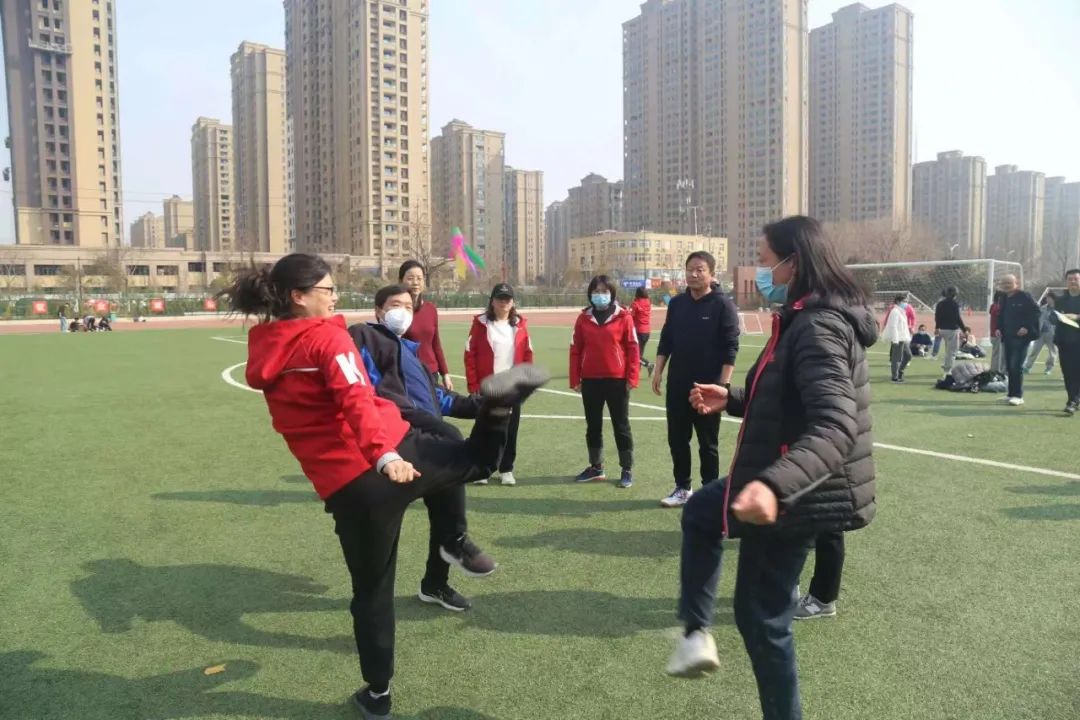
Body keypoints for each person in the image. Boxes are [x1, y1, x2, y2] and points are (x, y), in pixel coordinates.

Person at [219, 253, 549, 719]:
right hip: (392, 456)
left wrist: (384, 454)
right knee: (476, 460)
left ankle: (377, 693)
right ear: (299, 296)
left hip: (350, 489)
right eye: (327, 290)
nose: (335, 298)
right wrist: (385, 454)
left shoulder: (268, 350)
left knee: (371, 592)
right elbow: (353, 396)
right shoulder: (325, 338)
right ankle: (494, 412)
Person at [667, 216, 876, 720]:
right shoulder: (802, 316)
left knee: (762, 618)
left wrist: (774, 488)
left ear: (793, 263)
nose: (762, 272)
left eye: (765, 261)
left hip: (794, 491)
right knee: (701, 513)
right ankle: (695, 633)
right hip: (777, 472)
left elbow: (835, 426)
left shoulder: (819, 326)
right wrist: (735, 397)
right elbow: (788, 395)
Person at [348, 285, 493, 613]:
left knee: (445, 511)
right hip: (396, 440)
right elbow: (363, 391)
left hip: (426, 436)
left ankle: (436, 582)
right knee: (382, 529)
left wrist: (484, 405)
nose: (402, 311)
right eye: (394, 304)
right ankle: (373, 604)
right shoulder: (364, 336)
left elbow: (439, 398)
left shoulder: (411, 353)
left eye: (407, 306)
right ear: (378, 310)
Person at [652, 251, 740, 508]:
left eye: (700, 269)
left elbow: (730, 348)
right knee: (677, 440)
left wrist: (723, 386)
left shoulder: (723, 306)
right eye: (690, 269)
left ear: (711, 274)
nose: (693, 274)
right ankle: (682, 488)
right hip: (678, 385)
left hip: (708, 389)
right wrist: (658, 370)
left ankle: (710, 493)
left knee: (707, 443)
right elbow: (667, 339)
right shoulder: (677, 304)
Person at [569, 275, 640, 489]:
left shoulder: (624, 317)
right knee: (593, 425)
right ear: (590, 294)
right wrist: (575, 378)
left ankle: (626, 469)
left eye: (604, 291)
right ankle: (596, 467)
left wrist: (632, 377)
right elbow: (575, 349)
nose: (600, 295)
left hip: (617, 381)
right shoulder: (583, 319)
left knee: (621, 425)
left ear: (612, 294)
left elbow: (633, 348)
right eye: (596, 291)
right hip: (590, 380)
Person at [464, 283, 534, 486]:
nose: (504, 302)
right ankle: (483, 470)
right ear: (492, 301)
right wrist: (473, 385)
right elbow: (470, 355)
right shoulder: (480, 324)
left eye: (507, 299)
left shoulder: (520, 325)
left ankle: (506, 469)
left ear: (513, 302)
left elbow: (527, 354)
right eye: (500, 298)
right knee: (486, 429)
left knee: (510, 429)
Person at [398, 260, 453, 392]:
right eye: (410, 278)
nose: (415, 282)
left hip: (431, 372)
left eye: (419, 278)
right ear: (401, 281)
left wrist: (445, 374)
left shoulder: (430, 309)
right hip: (408, 372)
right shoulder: (397, 311)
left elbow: (435, 344)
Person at [996, 274, 1040, 406]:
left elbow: (1036, 312)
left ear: (1017, 283)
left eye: (1009, 283)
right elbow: (1001, 315)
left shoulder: (1025, 296)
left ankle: (1018, 395)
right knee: (1009, 366)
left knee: (1016, 366)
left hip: (1021, 338)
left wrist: (1027, 327)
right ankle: (1011, 394)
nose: (1006, 285)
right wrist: (998, 328)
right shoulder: (1003, 298)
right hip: (1007, 337)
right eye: (1004, 283)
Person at [1052, 268, 1080, 415]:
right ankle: (1072, 399)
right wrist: (1054, 317)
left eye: (1076, 279)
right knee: (1068, 372)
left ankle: (1074, 400)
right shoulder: (1060, 300)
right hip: (1065, 342)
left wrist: (1077, 317)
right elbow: (1053, 317)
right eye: (1070, 279)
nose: (1073, 282)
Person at [934, 287, 968, 374]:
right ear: (955, 294)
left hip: (942, 329)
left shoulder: (940, 304)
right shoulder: (955, 304)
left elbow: (937, 317)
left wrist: (937, 328)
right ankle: (948, 370)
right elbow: (958, 318)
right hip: (952, 330)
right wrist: (964, 330)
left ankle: (946, 364)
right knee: (952, 351)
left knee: (948, 349)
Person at [881, 293, 913, 382]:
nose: (906, 303)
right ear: (898, 301)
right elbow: (893, 326)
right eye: (904, 301)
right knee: (897, 358)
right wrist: (895, 339)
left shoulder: (902, 311)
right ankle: (895, 376)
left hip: (903, 337)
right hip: (898, 338)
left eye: (906, 301)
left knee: (908, 355)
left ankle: (900, 371)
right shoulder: (895, 311)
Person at [1023, 294, 1058, 375]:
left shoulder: (1057, 309)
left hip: (1052, 334)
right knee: (1035, 351)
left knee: (1052, 353)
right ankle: (1027, 367)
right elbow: (1037, 318)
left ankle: (1049, 368)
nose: (1048, 300)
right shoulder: (1042, 308)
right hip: (1041, 333)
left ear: (1053, 299)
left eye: (1049, 298)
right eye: (1047, 298)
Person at [631, 286, 655, 375]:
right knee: (640, 353)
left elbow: (631, 316)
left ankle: (649, 365)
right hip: (647, 331)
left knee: (635, 354)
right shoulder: (648, 302)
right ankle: (637, 371)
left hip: (638, 331)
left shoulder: (636, 303)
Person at [989, 291, 1006, 374]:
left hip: (993, 333)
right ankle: (995, 371)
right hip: (997, 334)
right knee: (999, 354)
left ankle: (994, 369)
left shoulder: (993, 306)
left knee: (996, 353)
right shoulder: (998, 308)